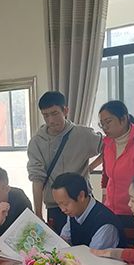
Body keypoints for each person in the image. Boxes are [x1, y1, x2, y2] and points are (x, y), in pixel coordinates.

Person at [27, 91, 102, 234]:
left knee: (87, 243)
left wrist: (91, 167)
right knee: (59, 244)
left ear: (65, 111)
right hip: (56, 206)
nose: (50, 120)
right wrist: (38, 213)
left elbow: (109, 147)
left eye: (54, 113)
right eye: (46, 115)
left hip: (82, 203)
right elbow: (37, 178)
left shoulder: (83, 134)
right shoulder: (36, 142)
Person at [97, 100, 134, 229]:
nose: (105, 128)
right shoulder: (107, 143)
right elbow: (106, 176)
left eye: (108, 122)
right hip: (111, 211)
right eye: (102, 124)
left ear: (123, 119)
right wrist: (104, 205)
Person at [51, 173, 121, 249]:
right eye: (59, 204)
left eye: (65, 204)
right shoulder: (74, 212)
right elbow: (64, 240)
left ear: (81, 196)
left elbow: (94, 255)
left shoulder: (105, 225)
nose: (62, 209)